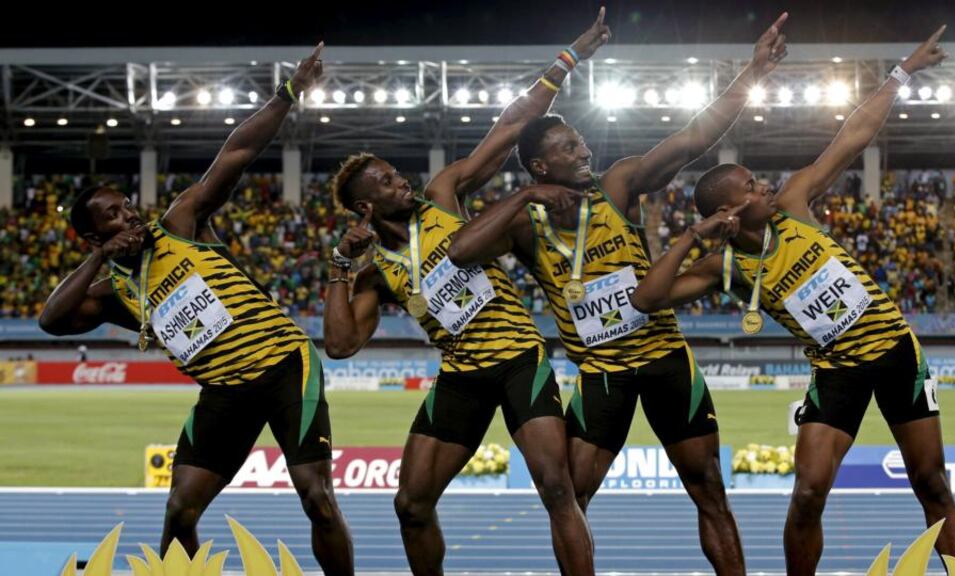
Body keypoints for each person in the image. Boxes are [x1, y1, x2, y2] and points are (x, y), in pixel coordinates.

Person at [447, 14, 790, 573]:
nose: (584, 151)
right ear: (540, 166)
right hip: (601, 375)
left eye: (581, 142)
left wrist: (752, 74)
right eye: (569, 148)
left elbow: (693, 138)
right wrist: (524, 197)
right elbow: (460, 251)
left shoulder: (618, 184)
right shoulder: (524, 223)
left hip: (665, 360)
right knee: (571, 497)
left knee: (709, 488)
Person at [630, 26, 955, 576]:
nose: (764, 186)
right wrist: (692, 237)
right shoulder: (724, 267)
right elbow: (648, 298)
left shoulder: (793, 204)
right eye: (750, 186)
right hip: (836, 372)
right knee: (808, 492)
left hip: (896, 353)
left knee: (932, 482)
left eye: (758, 181)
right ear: (728, 212)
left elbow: (852, 137)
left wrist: (903, 71)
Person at [38, 44, 354, 576]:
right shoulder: (116, 293)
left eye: (127, 205)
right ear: (94, 236)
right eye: (113, 216)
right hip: (225, 392)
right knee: (180, 508)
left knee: (317, 497)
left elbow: (236, 153)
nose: (129, 214)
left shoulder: (180, 223)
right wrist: (99, 259)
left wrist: (289, 92)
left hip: (284, 366)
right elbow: (51, 321)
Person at [324, 11, 610, 575]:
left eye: (396, 172)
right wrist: (339, 266)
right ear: (365, 206)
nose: (401, 180)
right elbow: (339, 345)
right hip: (461, 377)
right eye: (387, 181)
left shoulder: (443, 195)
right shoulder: (376, 271)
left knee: (558, 488)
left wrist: (569, 58)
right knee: (410, 505)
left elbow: (512, 123)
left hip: (518, 360)